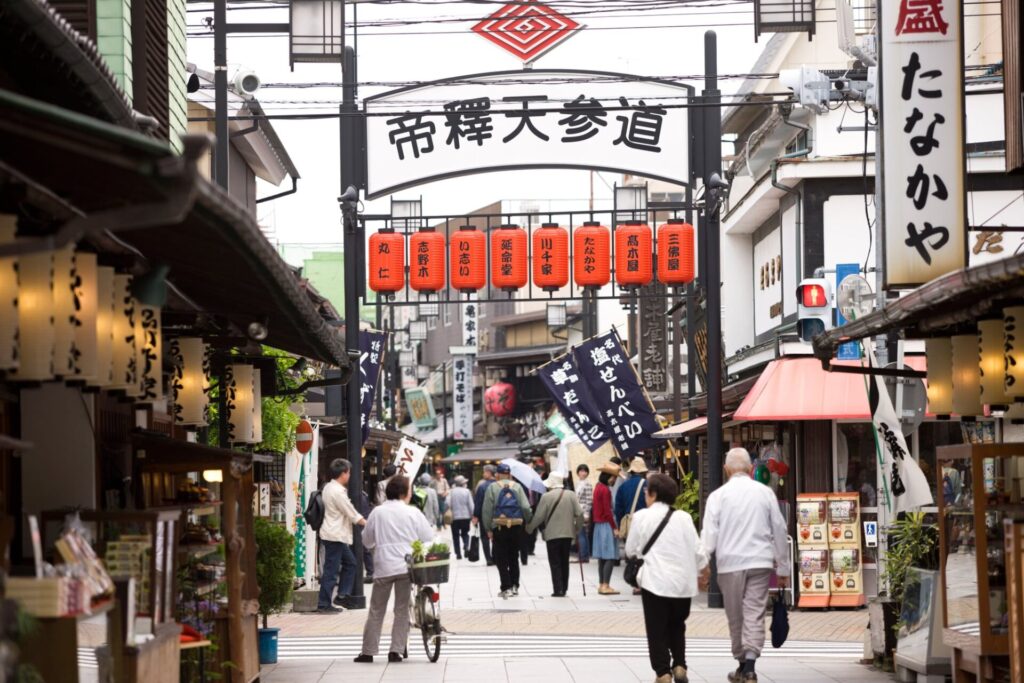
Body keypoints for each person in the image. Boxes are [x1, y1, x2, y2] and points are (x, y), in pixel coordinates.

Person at [701, 448, 790, 683]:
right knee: (754, 612)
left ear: (726, 469)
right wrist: (783, 568)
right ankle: (749, 666)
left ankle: (742, 663)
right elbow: (779, 529)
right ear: (751, 468)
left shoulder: (718, 496)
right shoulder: (765, 493)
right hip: (760, 561)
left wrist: (704, 566)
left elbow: (709, 533)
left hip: (729, 563)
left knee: (735, 614)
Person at [626, 473, 708, 683]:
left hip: (655, 582)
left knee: (657, 628)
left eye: (647, 491)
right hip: (682, 584)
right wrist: (703, 573)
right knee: (677, 625)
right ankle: (680, 665)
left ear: (652, 494)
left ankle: (663, 672)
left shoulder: (641, 516)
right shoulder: (684, 518)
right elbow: (698, 550)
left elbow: (631, 550)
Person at [354, 475, 435, 664]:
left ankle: (368, 651)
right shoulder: (413, 513)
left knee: (376, 609)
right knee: (401, 610)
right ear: (404, 492)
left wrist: (379, 544)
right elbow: (428, 537)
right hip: (406, 567)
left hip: (383, 567)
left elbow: (367, 540)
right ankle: (396, 651)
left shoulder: (377, 512)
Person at [318, 458, 366, 612]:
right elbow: (352, 514)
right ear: (343, 473)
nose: (350, 475)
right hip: (334, 534)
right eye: (349, 472)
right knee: (331, 571)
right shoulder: (337, 492)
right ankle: (324, 604)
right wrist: (369, 524)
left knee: (350, 563)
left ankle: (342, 596)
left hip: (332, 533)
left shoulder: (328, 487)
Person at [526, 472, 583, 597]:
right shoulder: (571, 495)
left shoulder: (546, 496)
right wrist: (576, 529)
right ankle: (565, 587)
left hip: (552, 535)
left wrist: (529, 529)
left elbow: (539, 516)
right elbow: (580, 514)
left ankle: (558, 589)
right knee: (564, 561)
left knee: (555, 562)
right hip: (568, 534)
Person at [482, 463, 534, 598]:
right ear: (510, 474)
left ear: (497, 475)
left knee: (501, 558)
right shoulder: (517, 487)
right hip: (516, 526)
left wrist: (488, 528)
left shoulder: (492, 488)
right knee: (514, 557)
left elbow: (487, 510)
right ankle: (515, 585)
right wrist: (528, 521)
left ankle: (506, 587)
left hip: (499, 527)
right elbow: (526, 507)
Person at [593, 462, 621, 595]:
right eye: (613, 477)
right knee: (610, 556)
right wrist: (615, 527)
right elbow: (608, 511)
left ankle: (601, 584)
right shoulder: (605, 490)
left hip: (598, 525)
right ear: (608, 476)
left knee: (602, 557)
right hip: (606, 524)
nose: (614, 480)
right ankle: (606, 585)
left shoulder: (598, 487)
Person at [472, 465, 497, 566]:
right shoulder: (498, 485)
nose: (483, 474)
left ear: (489, 472)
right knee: (496, 536)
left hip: (484, 515)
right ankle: (495, 557)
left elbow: (478, 502)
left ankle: (488, 558)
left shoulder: (482, 486)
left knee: (484, 536)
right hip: (497, 515)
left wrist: (475, 516)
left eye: (484, 472)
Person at [615, 457, 650, 527]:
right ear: (644, 472)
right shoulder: (648, 485)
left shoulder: (622, 487)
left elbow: (618, 511)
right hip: (644, 525)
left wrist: (621, 526)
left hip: (629, 525)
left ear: (631, 471)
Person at [448, 475, 475, 559]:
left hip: (455, 517)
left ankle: (458, 554)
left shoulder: (451, 492)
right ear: (462, 483)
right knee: (465, 533)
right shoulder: (467, 491)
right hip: (465, 517)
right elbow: (471, 505)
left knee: (455, 536)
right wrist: (473, 515)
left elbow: (447, 503)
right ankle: (466, 546)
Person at [575, 464, 594, 563]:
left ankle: (583, 556)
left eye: (585, 471)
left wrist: (587, 514)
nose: (583, 473)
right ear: (578, 472)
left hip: (583, 512)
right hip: (578, 512)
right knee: (582, 534)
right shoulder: (578, 483)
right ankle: (585, 555)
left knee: (581, 534)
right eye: (581, 471)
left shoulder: (587, 484)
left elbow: (589, 500)